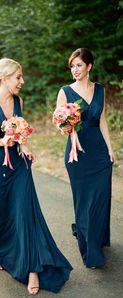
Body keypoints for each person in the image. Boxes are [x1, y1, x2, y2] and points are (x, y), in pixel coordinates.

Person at [0, 58, 72, 295]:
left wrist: (24, 146)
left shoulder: (19, 101)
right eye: (18, 77)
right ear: (4, 78)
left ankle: (32, 269)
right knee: (3, 216)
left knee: (26, 214)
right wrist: (0, 141)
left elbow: (20, 134)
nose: (22, 81)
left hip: (20, 166)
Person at [56, 48, 114, 268]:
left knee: (100, 198)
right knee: (84, 202)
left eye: (79, 65)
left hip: (99, 152)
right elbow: (60, 124)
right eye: (72, 66)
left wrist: (110, 148)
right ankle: (90, 250)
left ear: (89, 66)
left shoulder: (100, 90)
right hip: (77, 153)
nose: (75, 70)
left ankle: (97, 238)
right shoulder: (65, 92)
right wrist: (68, 126)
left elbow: (102, 121)